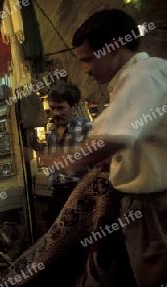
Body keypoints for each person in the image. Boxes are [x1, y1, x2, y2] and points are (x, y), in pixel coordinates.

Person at [63, 9, 167, 287]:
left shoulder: (144, 75)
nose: (85, 69)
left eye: (88, 59)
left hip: (153, 203)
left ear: (114, 47)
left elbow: (115, 137)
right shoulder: (134, 80)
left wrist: (65, 160)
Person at [43, 82, 93, 225]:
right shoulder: (51, 134)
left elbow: (97, 168)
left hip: (80, 196)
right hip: (57, 196)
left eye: (61, 108)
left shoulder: (88, 129)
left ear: (74, 106)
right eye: (52, 108)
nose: (55, 113)